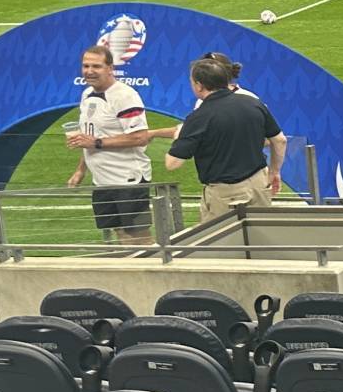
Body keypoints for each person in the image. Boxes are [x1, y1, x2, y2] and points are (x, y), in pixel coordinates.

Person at [159, 55, 284, 220]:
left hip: (225, 195)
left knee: (222, 244)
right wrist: (274, 172)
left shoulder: (199, 117)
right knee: (259, 240)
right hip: (259, 186)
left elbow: (172, 163)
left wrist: (179, 136)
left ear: (199, 86)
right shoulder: (252, 103)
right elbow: (279, 140)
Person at [66, 42, 153, 243]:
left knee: (138, 237)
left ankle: (152, 271)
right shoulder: (87, 94)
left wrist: (97, 142)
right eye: (86, 66)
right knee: (119, 233)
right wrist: (81, 170)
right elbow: (91, 137)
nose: (90, 71)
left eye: (96, 66)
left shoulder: (125, 96)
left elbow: (139, 137)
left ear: (110, 68)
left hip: (128, 180)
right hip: (102, 181)